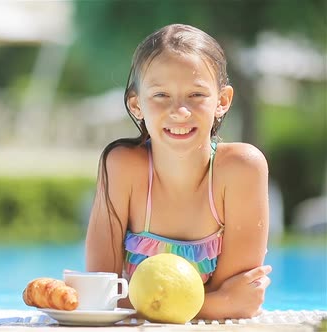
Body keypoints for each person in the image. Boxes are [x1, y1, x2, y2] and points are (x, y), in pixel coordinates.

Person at [85, 23, 271, 319]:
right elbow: (99, 294)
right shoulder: (123, 167)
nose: (180, 112)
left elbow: (239, 301)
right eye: (161, 95)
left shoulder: (240, 170)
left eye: (196, 95)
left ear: (222, 101)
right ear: (136, 104)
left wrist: (139, 304)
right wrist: (217, 303)